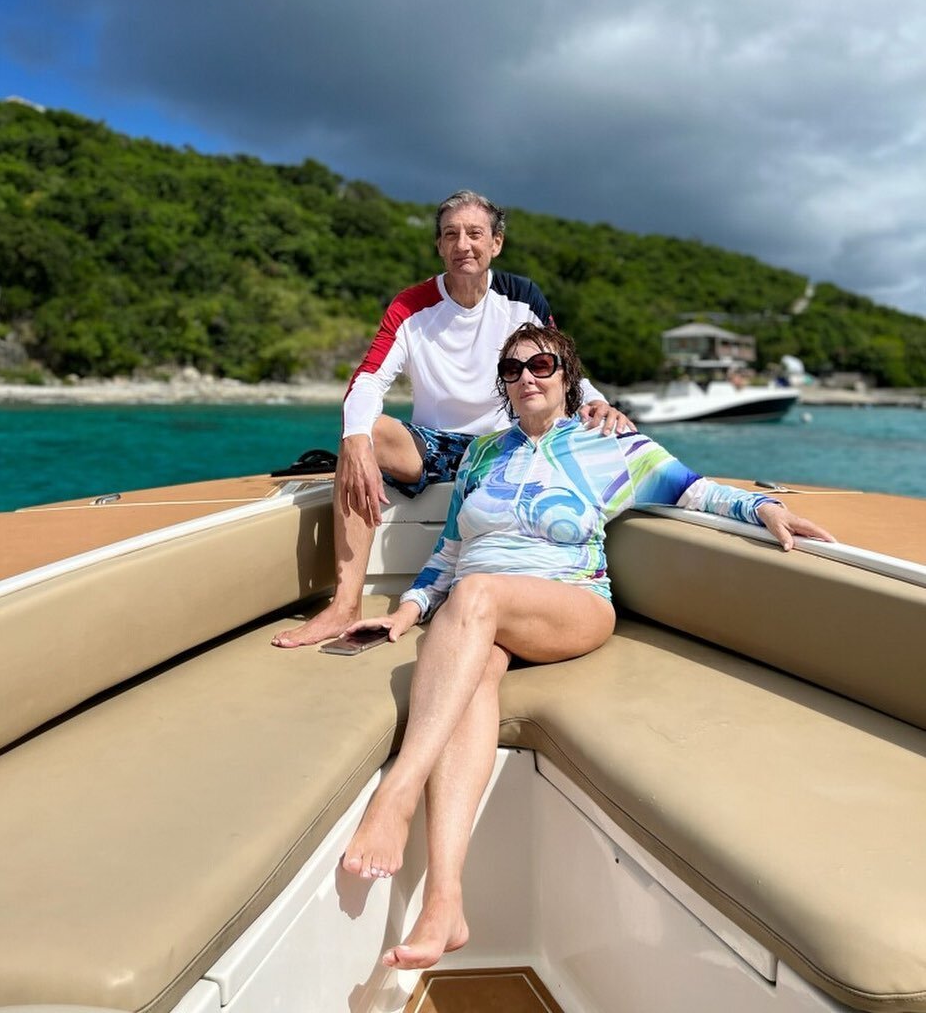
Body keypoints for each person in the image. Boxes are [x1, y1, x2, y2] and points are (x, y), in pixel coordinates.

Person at [334, 322, 836, 971]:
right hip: (476, 613)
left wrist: (763, 507)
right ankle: (446, 901)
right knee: (477, 667)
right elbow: (449, 553)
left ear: (567, 375)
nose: (526, 378)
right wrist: (405, 611)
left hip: (568, 605)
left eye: (539, 364)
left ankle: (396, 793)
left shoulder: (611, 444)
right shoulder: (483, 453)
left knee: (479, 593)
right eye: (511, 371)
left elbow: (695, 489)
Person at [272, 190, 633, 649]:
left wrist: (597, 403)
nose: (463, 244)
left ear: (495, 243)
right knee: (365, 435)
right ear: (440, 246)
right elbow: (367, 380)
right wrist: (356, 438)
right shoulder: (411, 305)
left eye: (475, 233)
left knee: (609, 433)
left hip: (507, 444)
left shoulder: (521, 298)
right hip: (438, 446)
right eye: (451, 234)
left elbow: (555, 363)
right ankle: (345, 605)